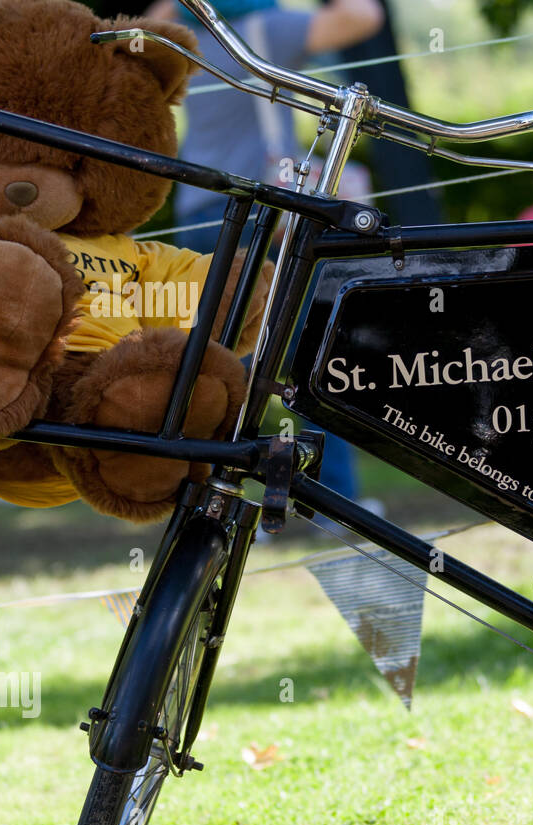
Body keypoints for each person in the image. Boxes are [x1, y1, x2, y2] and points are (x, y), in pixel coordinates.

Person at [147, 0, 383, 505]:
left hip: (200, 212)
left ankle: (207, 494)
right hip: (264, 210)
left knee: (216, 362)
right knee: (303, 356)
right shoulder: (265, 30)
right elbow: (364, 16)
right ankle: (329, 497)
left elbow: (143, 29)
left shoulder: (183, 40)